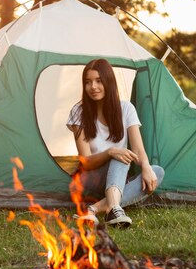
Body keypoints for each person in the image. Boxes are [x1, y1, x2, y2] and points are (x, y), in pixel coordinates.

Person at [67, 58, 164, 228]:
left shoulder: (126, 109)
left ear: (109, 81)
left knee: (157, 172)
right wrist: (111, 152)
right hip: (88, 179)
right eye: (88, 82)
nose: (93, 87)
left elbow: (138, 149)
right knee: (119, 154)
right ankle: (113, 208)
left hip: (115, 180)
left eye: (98, 81)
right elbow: (85, 162)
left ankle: (95, 209)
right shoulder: (78, 111)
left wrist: (146, 168)